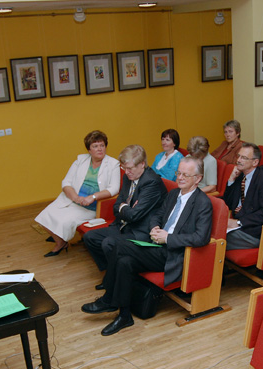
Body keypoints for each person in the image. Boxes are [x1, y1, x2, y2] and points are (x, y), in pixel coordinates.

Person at [81, 156, 213, 336]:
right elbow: (157, 214)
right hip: (155, 246)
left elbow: (201, 238)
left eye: (186, 175)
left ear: (198, 178)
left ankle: (109, 299)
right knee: (124, 262)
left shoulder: (203, 203)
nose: (180, 178)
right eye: (179, 173)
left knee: (116, 245)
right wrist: (155, 227)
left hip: (172, 255)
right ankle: (124, 315)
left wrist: (168, 238)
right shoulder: (174, 194)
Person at [83, 145, 167, 288]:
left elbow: (134, 215)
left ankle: (114, 279)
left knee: (109, 243)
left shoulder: (151, 182)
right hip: (124, 224)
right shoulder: (128, 177)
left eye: (129, 168)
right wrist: (124, 208)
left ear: (142, 164)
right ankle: (113, 272)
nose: (126, 172)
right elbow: (117, 206)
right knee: (90, 237)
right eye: (124, 168)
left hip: (141, 230)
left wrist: (124, 207)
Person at [35, 130, 120, 257]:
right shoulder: (81, 160)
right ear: (89, 150)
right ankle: (61, 241)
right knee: (44, 216)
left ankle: (60, 243)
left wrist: (93, 197)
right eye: (95, 146)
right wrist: (75, 198)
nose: (100, 149)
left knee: (65, 221)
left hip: (92, 206)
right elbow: (66, 182)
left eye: (102, 145)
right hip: (73, 200)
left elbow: (114, 189)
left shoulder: (113, 164)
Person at [222, 143, 263, 250]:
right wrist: (231, 179)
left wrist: (238, 223)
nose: (238, 160)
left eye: (244, 158)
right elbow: (228, 203)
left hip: (252, 231)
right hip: (237, 226)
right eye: (238, 156)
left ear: (255, 162)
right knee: (211, 230)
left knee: (217, 237)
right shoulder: (240, 175)